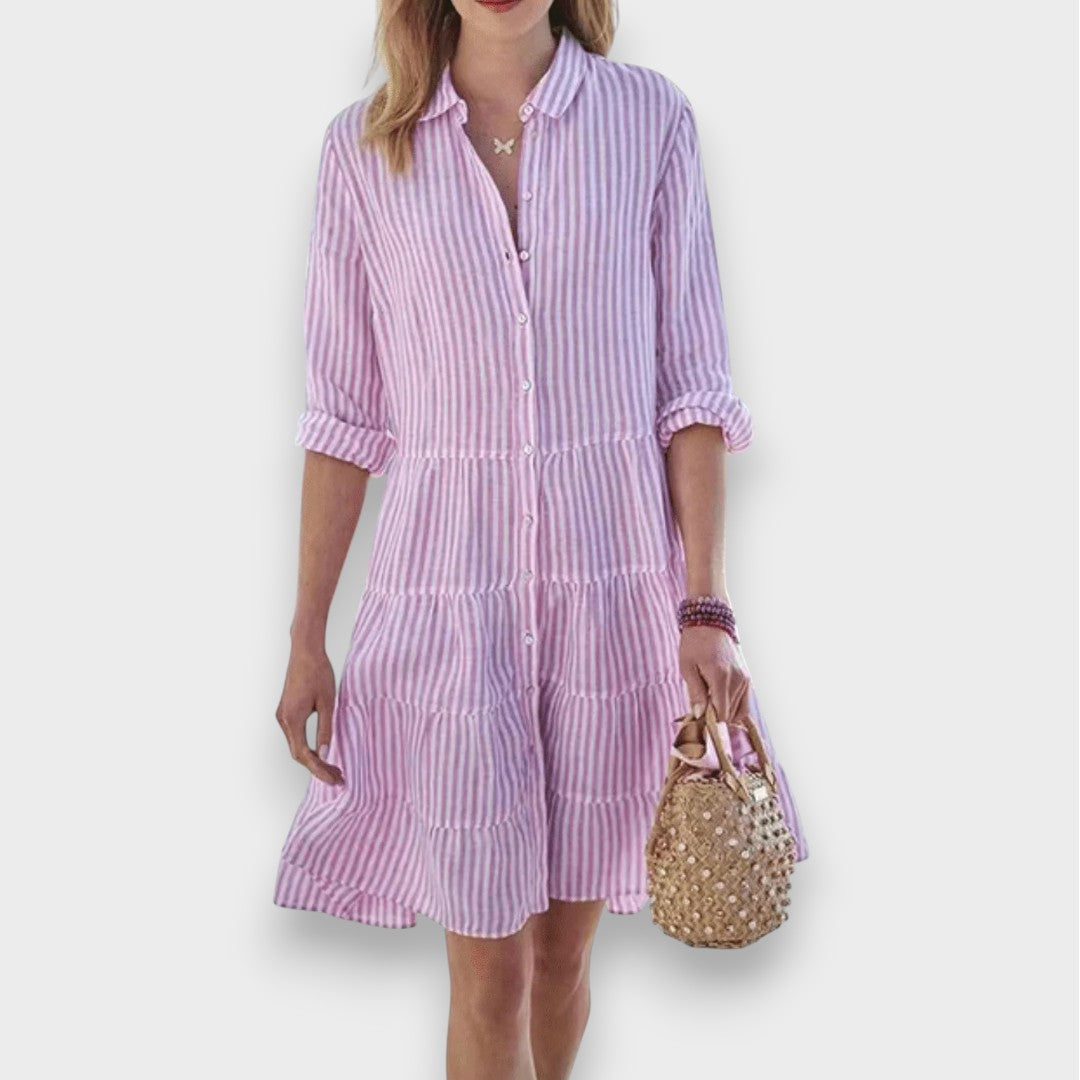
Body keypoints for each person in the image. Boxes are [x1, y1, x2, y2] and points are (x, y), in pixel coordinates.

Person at [273, 1, 809, 1076]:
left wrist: (705, 605)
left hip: (609, 609)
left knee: (561, 961)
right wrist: (305, 635)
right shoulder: (363, 151)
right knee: (490, 976)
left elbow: (692, 390)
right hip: (448, 610)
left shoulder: (649, 122)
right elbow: (344, 420)